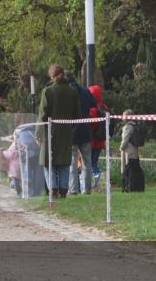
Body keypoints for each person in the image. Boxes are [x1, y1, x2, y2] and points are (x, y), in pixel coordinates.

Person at [38, 64, 79, 198]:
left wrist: (38, 132)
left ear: (52, 76)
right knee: (64, 162)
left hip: (49, 131)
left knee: (48, 162)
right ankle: (63, 190)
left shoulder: (47, 91)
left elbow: (43, 114)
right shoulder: (73, 92)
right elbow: (77, 115)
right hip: (66, 131)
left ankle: (53, 189)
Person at [67, 74, 98, 195]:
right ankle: (87, 189)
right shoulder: (85, 91)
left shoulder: (68, 93)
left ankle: (73, 189)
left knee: (72, 162)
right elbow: (94, 104)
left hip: (72, 131)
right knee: (87, 162)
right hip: (85, 130)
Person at [88, 85, 110, 189]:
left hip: (92, 140)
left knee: (92, 164)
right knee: (94, 162)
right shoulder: (104, 107)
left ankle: (99, 184)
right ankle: (99, 184)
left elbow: (91, 124)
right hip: (100, 141)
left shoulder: (93, 108)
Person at [120, 108, 145, 192]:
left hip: (128, 150)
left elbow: (125, 139)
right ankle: (135, 186)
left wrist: (121, 148)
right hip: (134, 150)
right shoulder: (135, 125)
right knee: (134, 168)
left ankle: (129, 185)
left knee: (128, 168)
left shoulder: (127, 127)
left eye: (123, 115)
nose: (122, 116)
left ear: (127, 116)